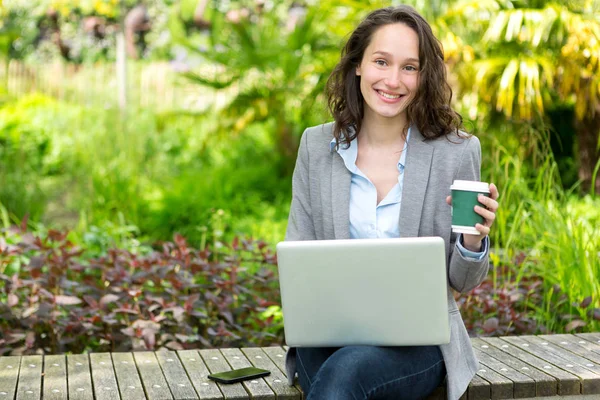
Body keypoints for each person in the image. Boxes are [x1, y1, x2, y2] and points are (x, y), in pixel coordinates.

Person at [283, 5, 500, 400]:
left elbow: (462, 283)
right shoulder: (315, 147)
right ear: (358, 66)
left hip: (418, 344)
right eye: (381, 61)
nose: (393, 80)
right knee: (343, 370)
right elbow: (300, 255)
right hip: (328, 335)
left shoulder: (457, 151)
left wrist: (473, 242)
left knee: (346, 375)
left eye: (409, 67)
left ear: (424, 76)